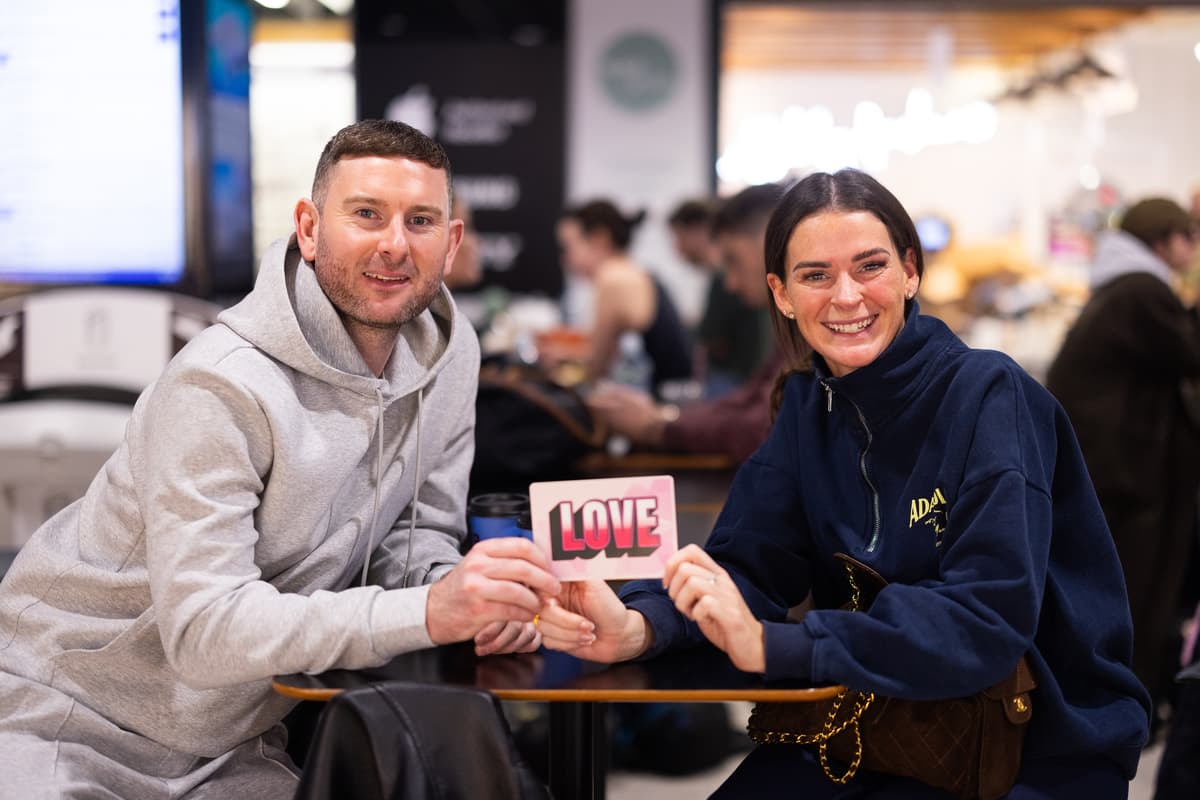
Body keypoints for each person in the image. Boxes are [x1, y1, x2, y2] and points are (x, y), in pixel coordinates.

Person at [538, 169, 1150, 796]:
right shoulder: (809, 406)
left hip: (1030, 744)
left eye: (870, 266)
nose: (847, 297)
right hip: (877, 719)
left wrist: (781, 646)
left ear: (910, 272)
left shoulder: (989, 394)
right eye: (815, 275)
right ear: (781, 293)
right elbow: (744, 566)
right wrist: (638, 627)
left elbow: (986, 619)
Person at [0, 120, 560, 798]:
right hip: (70, 718)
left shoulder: (450, 352)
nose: (394, 244)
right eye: (366, 214)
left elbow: (419, 533)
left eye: (420, 220)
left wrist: (476, 599)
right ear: (309, 227)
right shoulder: (219, 384)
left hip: (234, 739)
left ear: (452, 240)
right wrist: (431, 612)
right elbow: (206, 632)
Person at [1046, 197, 1200, 729]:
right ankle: (1127, 705)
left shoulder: (1122, 284)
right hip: (1131, 475)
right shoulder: (1143, 290)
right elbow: (1192, 354)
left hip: (1108, 469)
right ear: (1164, 240)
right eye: (1188, 236)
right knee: (1137, 591)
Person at [587, 184, 787, 463]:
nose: (730, 282)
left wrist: (659, 426)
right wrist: (665, 419)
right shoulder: (792, 330)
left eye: (734, 260)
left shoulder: (810, 326)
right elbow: (749, 401)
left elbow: (761, 426)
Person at [555, 199, 693, 397]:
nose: (565, 258)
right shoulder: (630, 272)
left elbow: (597, 365)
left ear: (599, 239)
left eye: (568, 247)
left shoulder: (613, 279)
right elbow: (610, 350)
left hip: (667, 402)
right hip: (672, 392)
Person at [668, 198, 773, 398]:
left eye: (679, 237)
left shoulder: (721, 279)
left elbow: (710, 337)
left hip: (736, 379)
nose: (677, 248)